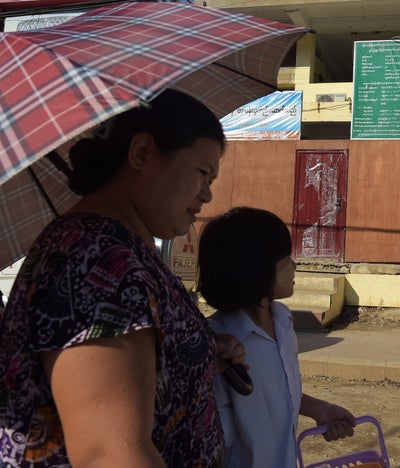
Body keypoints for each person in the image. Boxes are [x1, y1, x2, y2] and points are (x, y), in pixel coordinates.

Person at [0, 89, 246, 466]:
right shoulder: (97, 260)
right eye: (202, 172)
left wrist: (195, 359)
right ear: (143, 153)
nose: (208, 195)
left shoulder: (117, 248)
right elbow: (109, 453)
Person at [197, 206, 356, 468]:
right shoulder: (221, 345)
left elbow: (275, 391)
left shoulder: (282, 320)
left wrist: (320, 409)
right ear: (254, 269)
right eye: (284, 257)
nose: (294, 265)